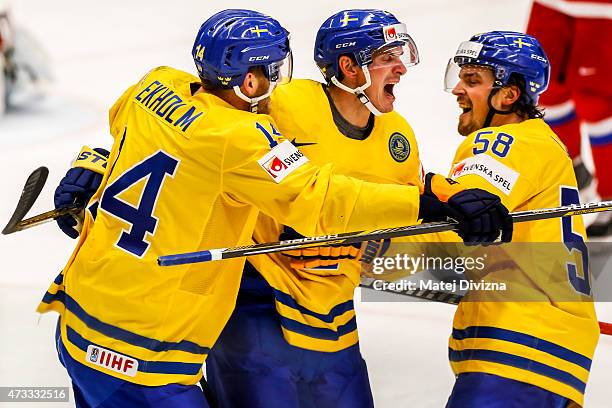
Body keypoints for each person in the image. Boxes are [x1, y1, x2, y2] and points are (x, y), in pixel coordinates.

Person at [43, 9, 512, 408]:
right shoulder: (254, 128)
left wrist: (94, 164)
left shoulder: (157, 85)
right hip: (159, 339)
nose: (278, 84)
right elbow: (318, 198)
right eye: (271, 73)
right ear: (250, 80)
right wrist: (422, 203)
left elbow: (135, 137)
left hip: (81, 311)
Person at [204, 9, 441, 408]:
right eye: (388, 57)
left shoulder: (398, 135)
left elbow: (410, 207)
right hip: (255, 292)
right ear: (349, 66)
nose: (401, 67)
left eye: (402, 55)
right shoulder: (283, 103)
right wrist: (102, 163)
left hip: (332, 310)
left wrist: (453, 197)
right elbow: (200, 136)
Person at [442, 31, 599, 407]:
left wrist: (367, 244)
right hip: (551, 353)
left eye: (472, 80)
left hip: (517, 348)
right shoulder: (541, 144)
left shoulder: (505, 142)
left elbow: (464, 212)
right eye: (459, 77)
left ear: (509, 95)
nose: (457, 90)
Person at [526, 0, 612, 237]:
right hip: (550, 6)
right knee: (540, 84)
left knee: (598, 101)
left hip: (600, 10)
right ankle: (571, 170)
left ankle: (609, 194)